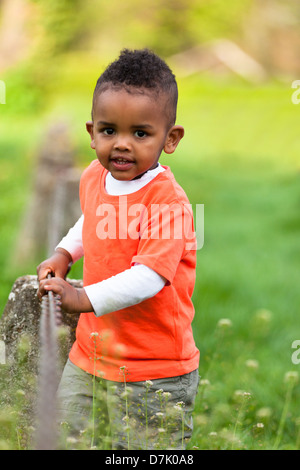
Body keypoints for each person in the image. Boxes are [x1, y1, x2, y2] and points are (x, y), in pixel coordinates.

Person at [37, 48, 200, 450]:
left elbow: (148, 278)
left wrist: (80, 297)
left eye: (140, 133)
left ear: (171, 138)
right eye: (110, 131)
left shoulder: (168, 203)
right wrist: (64, 253)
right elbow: (91, 219)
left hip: (155, 367)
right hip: (90, 354)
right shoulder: (96, 175)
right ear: (92, 132)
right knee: (64, 438)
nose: (122, 145)